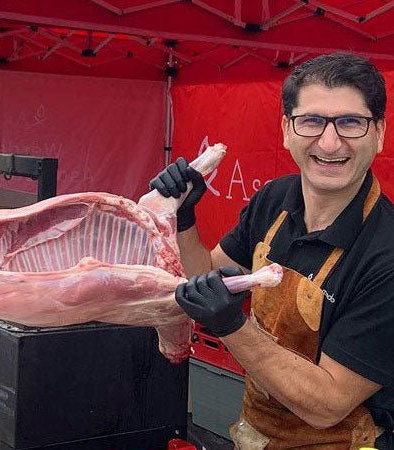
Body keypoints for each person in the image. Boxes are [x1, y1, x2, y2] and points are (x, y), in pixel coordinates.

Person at [151, 52, 393, 448]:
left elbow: (328, 405)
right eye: (311, 121)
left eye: (351, 122)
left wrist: (232, 326)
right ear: (286, 129)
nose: (329, 143)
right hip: (256, 434)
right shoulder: (274, 199)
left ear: (379, 133)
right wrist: (183, 215)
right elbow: (203, 277)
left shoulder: (385, 255)